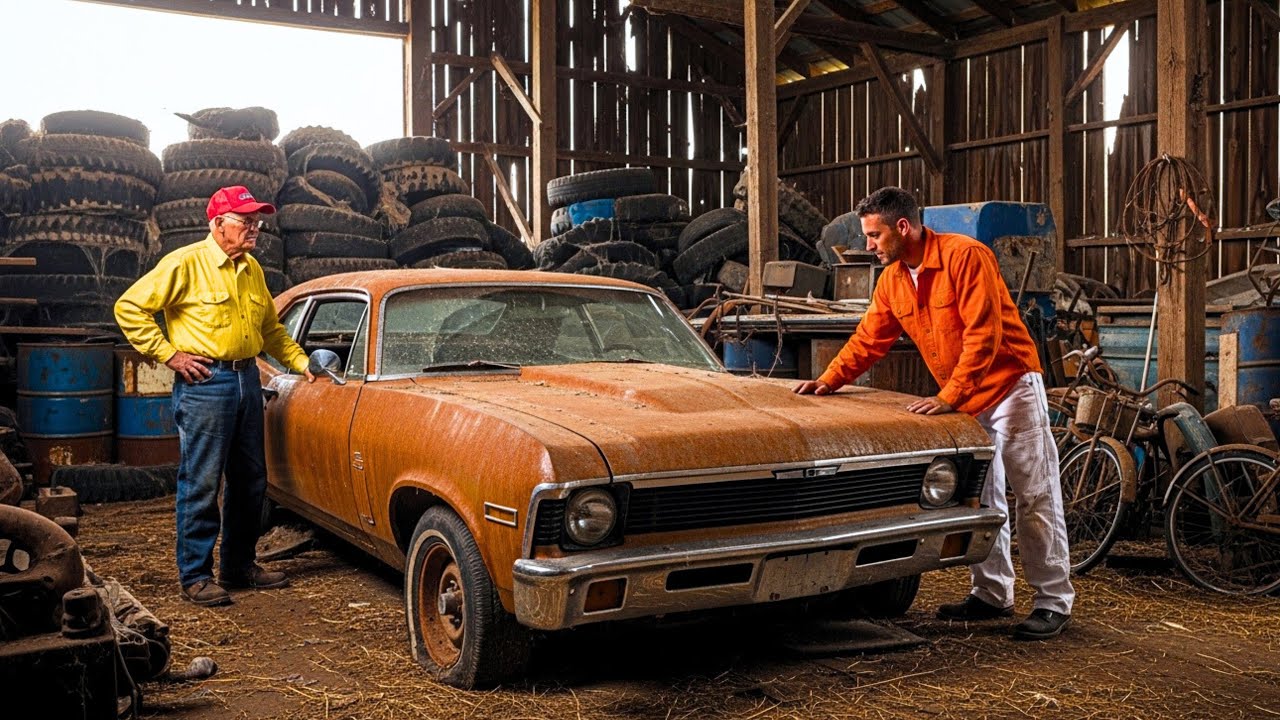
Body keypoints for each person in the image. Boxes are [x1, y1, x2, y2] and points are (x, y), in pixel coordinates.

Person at [794, 187, 1074, 640]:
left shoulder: (967, 257)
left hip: (1010, 386)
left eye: (874, 235)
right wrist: (830, 379)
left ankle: (1053, 601)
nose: (868, 245)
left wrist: (950, 397)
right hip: (963, 396)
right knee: (981, 498)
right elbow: (870, 338)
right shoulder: (892, 280)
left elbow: (984, 335)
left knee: (1034, 493)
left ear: (902, 227)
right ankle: (992, 593)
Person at [115, 186, 314, 607]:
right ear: (218, 223)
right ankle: (195, 575)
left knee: (250, 481)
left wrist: (301, 362)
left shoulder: (253, 268)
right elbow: (129, 307)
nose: (254, 228)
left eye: (257, 221)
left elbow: (271, 331)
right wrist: (169, 355)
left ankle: (239, 565)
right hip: (207, 382)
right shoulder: (186, 263)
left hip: (246, 379)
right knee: (202, 480)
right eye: (245, 220)